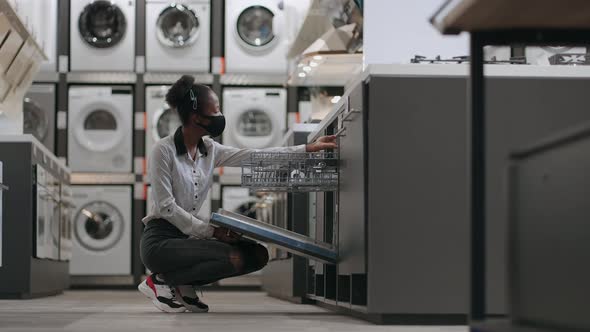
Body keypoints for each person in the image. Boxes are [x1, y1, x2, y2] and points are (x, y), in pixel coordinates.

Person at [138, 75, 337, 313]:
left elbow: (255, 156)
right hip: (161, 242)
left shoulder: (209, 150)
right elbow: (166, 206)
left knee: (257, 255)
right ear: (196, 117)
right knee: (230, 257)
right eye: (216, 110)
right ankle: (160, 281)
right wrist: (211, 232)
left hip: (189, 239)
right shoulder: (163, 150)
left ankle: (183, 282)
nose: (220, 116)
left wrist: (306, 149)